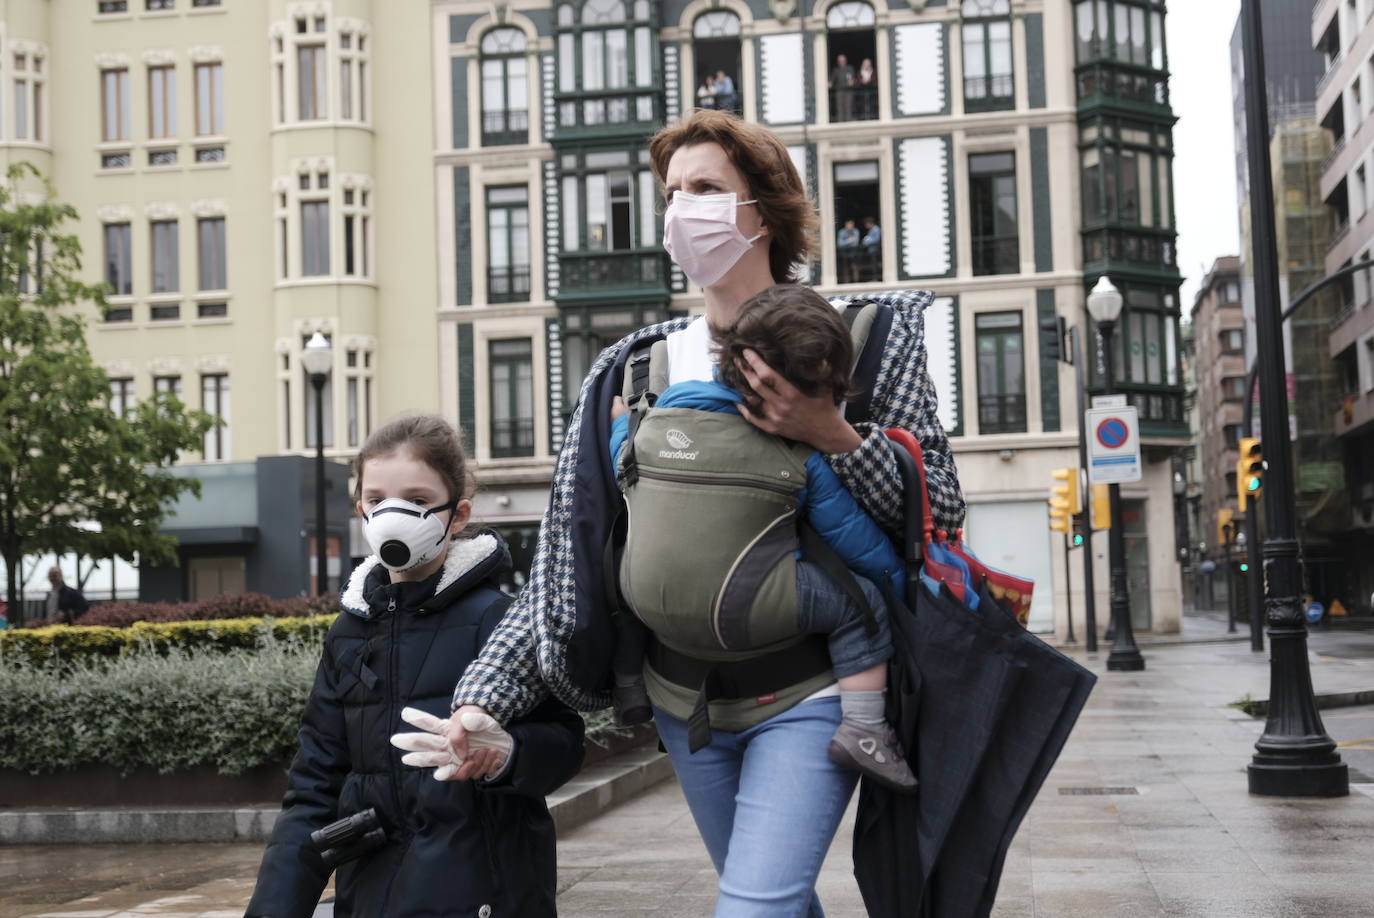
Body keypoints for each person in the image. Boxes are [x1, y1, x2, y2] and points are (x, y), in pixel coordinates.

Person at [448, 109, 964, 917]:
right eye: (671, 192)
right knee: (774, 904)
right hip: (683, 704)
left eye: (705, 189)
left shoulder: (862, 340)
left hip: (812, 693)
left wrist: (828, 431)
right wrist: (483, 697)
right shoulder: (633, 370)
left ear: (764, 212)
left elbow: (937, 511)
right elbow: (569, 556)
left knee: (754, 907)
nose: (681, 210)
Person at [245, 414, 584, 918]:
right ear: (360, 508)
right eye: (378, 499)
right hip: (372, 895)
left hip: (485, 893)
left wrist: (508, 753)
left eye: (418, 500)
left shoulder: (499, 620)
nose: (394, 514)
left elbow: (565, 743)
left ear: (459, 513)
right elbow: (315, 788)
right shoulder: (349, 633)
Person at [608, 283, 917, 792]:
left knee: (634, 566)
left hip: (646, 608)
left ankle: (626, 682)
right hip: (745, 611)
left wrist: (621, 424)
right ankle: (865, 729)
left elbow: (624, 453)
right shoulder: (797, 454)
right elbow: (856, 542)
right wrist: (898, 587)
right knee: (862, 603)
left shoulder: (656, 419)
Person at [829, 53, 855, 121]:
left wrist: (851, 82)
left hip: (848, 91)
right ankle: (840, 121)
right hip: (839, 91)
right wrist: (830, 83)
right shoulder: (836, 70)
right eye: (840, 61)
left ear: (845, 61)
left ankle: (848, 121)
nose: (841, 62)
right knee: (839, 107)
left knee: (848, 106)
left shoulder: (849, 68)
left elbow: (851, 78)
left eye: (843, 60)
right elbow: (832, 80)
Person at [837, 218, 860, 283]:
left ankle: (856, 281)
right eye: (849, 224)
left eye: (852, 224)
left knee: (854, 267)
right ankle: (846, 282)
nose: (850, 226)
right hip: (844, 254)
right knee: (845, 268)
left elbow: (855, 243)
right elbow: (840, 244)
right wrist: (848, 241)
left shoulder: (856, 231)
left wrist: (846, 242)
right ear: (846, 225)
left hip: (853, 253)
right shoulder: (841, 232)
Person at [861, 216, 882, 281]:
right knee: (873, 265)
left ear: (870, 223)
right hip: (871, 251)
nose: (865, 226)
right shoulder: (871, 230)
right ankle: (875, 278)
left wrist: (866, 241)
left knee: (875, 265)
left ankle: (876, 278)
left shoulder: (876, 229)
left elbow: (876, 240)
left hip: (875, 251)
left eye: (866, 224)